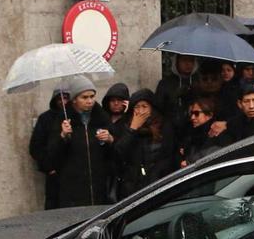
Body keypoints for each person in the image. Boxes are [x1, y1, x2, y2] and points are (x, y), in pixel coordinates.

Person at [46, 76, 116, 207]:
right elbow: (52, 154)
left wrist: (110, 139)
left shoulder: (102, 117)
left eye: (92, 96)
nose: (90, 101)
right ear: (74, 100)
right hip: (73, 189)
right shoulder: (63, 120)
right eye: (84, 97)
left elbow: (115, 152)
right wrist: (63, 136)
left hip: (99, 185)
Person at [113, 89, 176, 199]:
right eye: (137, 107)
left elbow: (168, 154)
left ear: (152, 108)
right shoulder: (125, 125)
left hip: (159, 182)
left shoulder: (163, 125)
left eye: (144, 106)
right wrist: (132, 129)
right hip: (133, 186)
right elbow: (119, 152)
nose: (141, 111)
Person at [28, 88, 68, 210]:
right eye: (60, 98)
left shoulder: (76, 118)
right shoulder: (45, 119)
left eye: (66, 97)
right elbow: (36, 147)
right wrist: (49, 167)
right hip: (54, 173)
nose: (63, 101)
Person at [180, 97, 225, 167]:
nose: (192, 117)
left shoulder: (217, 132)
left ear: (209, 115)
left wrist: (190, 161)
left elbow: (216, 152)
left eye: (196, 113)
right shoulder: (193, 133)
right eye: (191, 113)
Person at [154, 54, 197, 124]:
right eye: (184, 60)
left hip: (193, 123)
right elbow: (158, 106)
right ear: (176, 62)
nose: (188, 63)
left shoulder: (199, 81)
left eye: (191, 60)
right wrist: (174, 96)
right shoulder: (165, 83)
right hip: (171, 124)